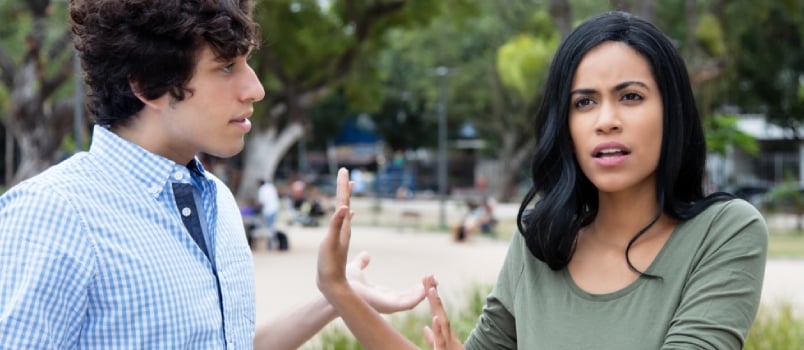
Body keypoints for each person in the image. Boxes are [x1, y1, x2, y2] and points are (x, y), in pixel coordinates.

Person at [317, 10, 768, 350]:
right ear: (565, 125)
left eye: (631, 96)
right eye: (584, 102)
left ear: (673, 112)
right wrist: (338, 290)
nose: (606, 120)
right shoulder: (542, 238)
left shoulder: (725, 231)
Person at [0, 1, 426, 349]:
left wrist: (334, 295)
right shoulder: (54, 214)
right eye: (226, 67)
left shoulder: (217, 198)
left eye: (247, 63)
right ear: (148, 84)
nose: (255, 88)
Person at [257, 179, 281, 250]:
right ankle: (273, 243)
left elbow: (261, 202)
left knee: (269, 228)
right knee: (272, 227)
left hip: (268, 211)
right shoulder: (271, 187)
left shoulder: (262, 189)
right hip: (275, 209)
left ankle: (270, 244)